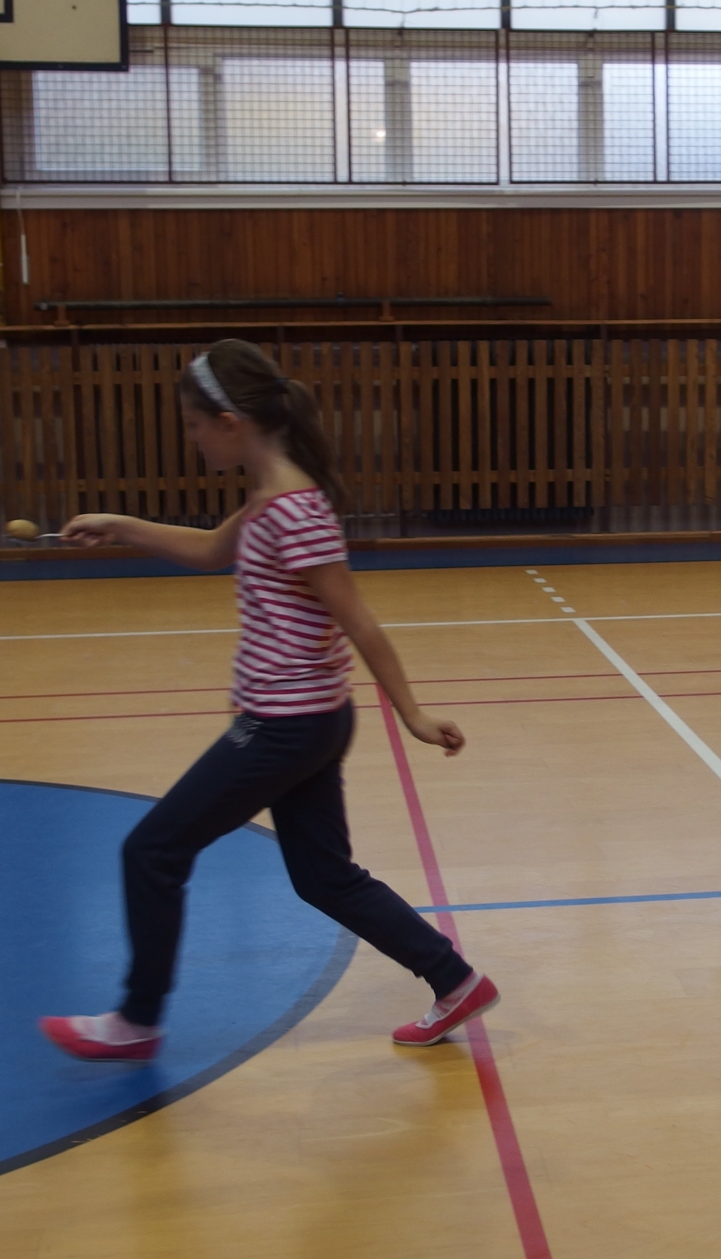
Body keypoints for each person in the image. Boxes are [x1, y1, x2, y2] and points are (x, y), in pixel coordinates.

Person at [38, 339, 497, 1061]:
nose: (191, 438)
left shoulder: (293, 509)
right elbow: (206, 551)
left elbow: (359, 619)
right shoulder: (269, 497)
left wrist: (412, 713)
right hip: (309, 720)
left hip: (287, 725)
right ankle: (455, 981)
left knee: (152, 851)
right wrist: (118, 525)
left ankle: (137, 1021)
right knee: (324, 876)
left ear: (231, 422)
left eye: (194, 425)